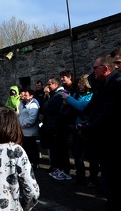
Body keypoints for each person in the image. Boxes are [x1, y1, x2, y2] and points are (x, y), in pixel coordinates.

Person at [79, 55, 121, 210]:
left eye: (95, 68)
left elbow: (108, 114)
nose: (93, 71)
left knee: (112, 181)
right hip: (104, 142)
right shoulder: (104, 85)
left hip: (113, 143)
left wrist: (89, 128)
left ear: (106, 69)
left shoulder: (116, 84)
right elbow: (95, 109)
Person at [61, 74, 92, 184]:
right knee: (76, 153)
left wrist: (68, 98)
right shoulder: (77, 94)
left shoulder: (91, 95)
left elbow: (81, 106)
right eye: (78, 83)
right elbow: (71, 104)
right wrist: (66, 101)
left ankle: (93, 180)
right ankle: (80, 177)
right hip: (76, 127)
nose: (79, 85)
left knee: (91, 157)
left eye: (81, 83)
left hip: (88, 128)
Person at [42, 77, 71, 180]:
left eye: (49, 84)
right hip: (53, 125)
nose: (48, 86)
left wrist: (47, 103)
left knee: (61, 150)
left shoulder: (59, 95)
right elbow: (45, 108)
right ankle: (59, 168)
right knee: (56, 149)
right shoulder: (53, 95)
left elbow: (47, 108)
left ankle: (64, 171)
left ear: (55, 84)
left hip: (59, 126)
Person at [18, 89, 40, 169]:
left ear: (31, 96)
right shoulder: (22, 103)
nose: (24, 97)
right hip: (23, 131)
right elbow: (20, 114)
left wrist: (21, 125)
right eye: (23, 95)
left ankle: (35, 163)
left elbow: (31, 119)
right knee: (25, 148)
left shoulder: (33, 105)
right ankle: (27, 162)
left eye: (26, 95)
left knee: (32, 148)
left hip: (30, 132)